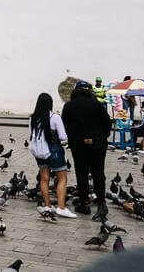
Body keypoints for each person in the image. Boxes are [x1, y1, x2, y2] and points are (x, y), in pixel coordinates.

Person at [61, 81, 111, 216]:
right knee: (98, 172)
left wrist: (74, 136)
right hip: (98, 143)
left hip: (78, 144)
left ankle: (84, 203)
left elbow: (64, 125)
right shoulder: (97, 104)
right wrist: (101, 137)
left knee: (81, 172)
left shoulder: (69, 105)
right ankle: (101, 202)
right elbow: (107, 124)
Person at [28, 92, 76, 218]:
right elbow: (63, 136)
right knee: (62, 178)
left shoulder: (33, 118)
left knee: (44, 179)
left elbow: (31, 135)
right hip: (54, 150)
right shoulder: (55, 118)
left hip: (39, 152)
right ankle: (61, 207)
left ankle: (48, 205)